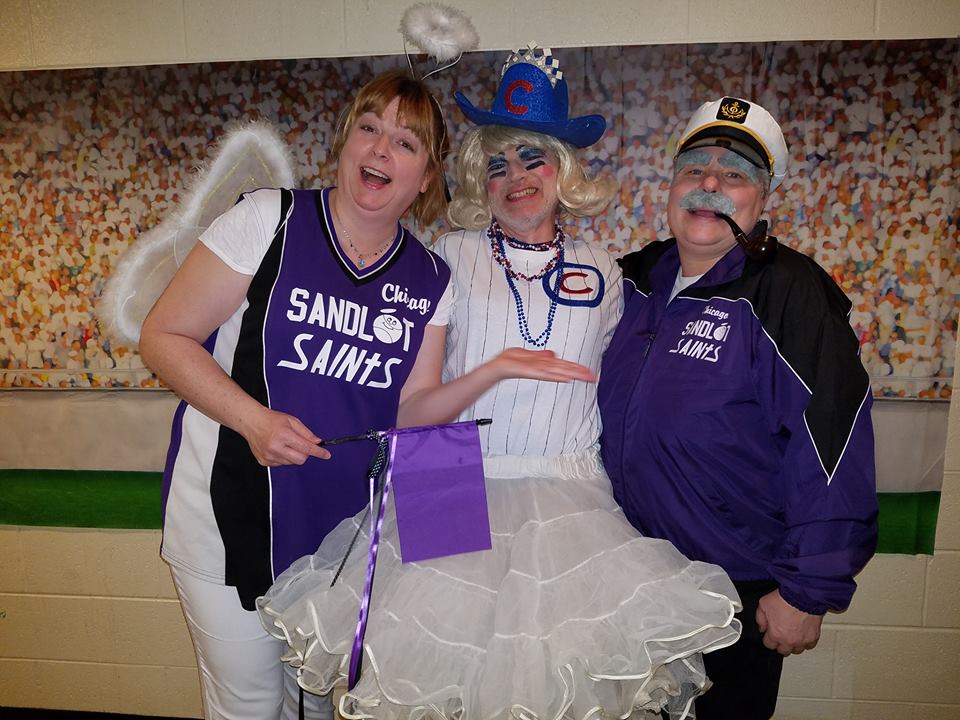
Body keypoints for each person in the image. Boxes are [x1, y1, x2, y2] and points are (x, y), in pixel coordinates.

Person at [258, 45, 741, 720]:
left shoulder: (605, 271)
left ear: (563, 170)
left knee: (550, 686)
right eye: (496, 163)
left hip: (566, 483)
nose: (514, 176)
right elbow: (416, 408)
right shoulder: (443, 258)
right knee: (442, 679)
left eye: (532, 158)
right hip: (445, 468)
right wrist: (496, 369)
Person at [138, 70, 456, 720]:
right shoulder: (268, 220)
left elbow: (417, 411)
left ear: (426, 177)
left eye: (404, 142)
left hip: (340, 541)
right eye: (368, 128)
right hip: (230, 519)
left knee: (319, 706)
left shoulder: (431, 277)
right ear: (344, 143)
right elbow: (163, 337)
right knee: (253, 705)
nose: (378, 150)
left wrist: (443, 543)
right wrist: (252, 420)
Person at [597, 96, 879, 719]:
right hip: (626, 586)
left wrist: (808, 591)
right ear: (669, 187)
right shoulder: (628, 281)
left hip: (732, 596)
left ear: (762, 199)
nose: (711, 186)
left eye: (736, 176)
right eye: (696, 169)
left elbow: (833, 445)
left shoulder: (790, 293)